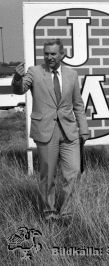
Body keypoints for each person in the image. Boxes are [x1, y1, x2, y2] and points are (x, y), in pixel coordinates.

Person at [12, 39, 89, 222]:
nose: (49, 57)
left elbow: (78, 104)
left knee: (74, 172)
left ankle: (67, 212)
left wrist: (83, 129)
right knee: (48, 175)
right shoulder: (34, 72)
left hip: (69, 131)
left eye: (53, 54)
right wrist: (16, 78)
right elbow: (19, 90)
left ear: (62, 54)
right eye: (46, 53)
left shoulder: (72, 74)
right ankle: (49, 212)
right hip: (46, 131)